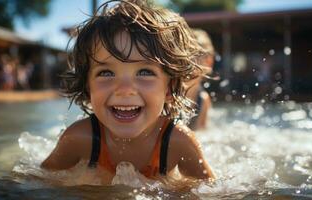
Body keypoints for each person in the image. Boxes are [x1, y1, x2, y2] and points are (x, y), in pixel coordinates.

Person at [41, 0, 215, 184]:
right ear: (88, 86)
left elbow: (214, 191)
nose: (125, 90)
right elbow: (35, 183)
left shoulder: (178, 143)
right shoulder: (79, 138)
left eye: (145, 72)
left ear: (169, 88)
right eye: (106, 73)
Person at [186, 29, 216, 130]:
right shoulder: (168, 93)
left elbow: (200, 135)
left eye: (193, 56)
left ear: (209, 62)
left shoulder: (203, 100)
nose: (187, 61)